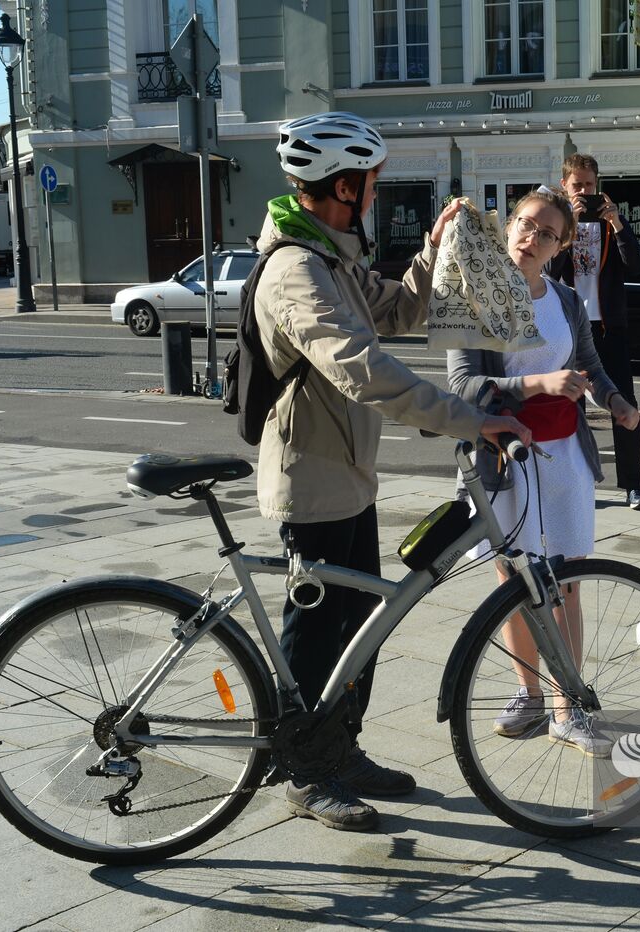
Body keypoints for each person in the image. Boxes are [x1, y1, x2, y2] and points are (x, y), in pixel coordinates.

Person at [255, 112, 531, 832]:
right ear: (345, 186)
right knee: (317, 634)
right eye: (372, 185)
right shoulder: (295, 269)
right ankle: (306, 772)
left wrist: (432, 249)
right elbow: (362, 369)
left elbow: (397, 310)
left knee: (360, 624)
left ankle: (340, 749)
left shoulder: (334, 257)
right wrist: (468, 418)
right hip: (311, 479)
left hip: (349, 473)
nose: (375, 196)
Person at [448, 186, 640, 757]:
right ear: (509, 228)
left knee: (567, 583)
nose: (533, 239)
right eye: (526, 225)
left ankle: (567, 705)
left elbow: (587, 365)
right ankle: (528, 695)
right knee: (512, 582)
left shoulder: (564, 299)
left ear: (560, 247)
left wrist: (615, 401)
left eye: (548, 233)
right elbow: (463, 386)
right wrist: (536, 384)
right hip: (508, 460)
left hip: (564, 459)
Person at [549, 153, 640, 511]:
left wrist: (619, 223)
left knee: (624, 404)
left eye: (589, 185)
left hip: (610, 328)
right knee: (569, 407)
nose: (584, 191)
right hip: (570, 329)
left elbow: (636, 265)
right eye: (577, 185)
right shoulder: (559, 223)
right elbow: (548, 270)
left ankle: (634, 487)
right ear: (564, 185)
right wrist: (567, 227)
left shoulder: (611, 223)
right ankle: (579, 483)